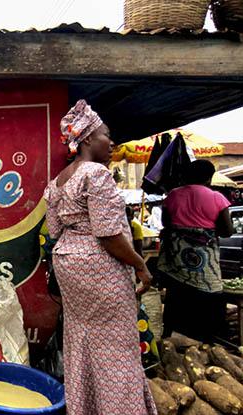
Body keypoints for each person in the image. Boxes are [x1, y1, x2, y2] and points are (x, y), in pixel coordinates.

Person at [43, 100, 156, 415]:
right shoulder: (97, 174)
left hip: (69, 265)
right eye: (107, 135)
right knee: (117, 347)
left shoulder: (58, 181)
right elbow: (108, 234)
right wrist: (141, 266)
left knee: (81, 339)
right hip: (99, 267)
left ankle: (86, 407)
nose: (112, 143)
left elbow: (54, 229)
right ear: (88, 138)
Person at [158, 159, 233, 342]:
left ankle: (172, 339)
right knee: (208, 297)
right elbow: (227, 231)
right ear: (209, 178)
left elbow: (165, 223)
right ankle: (205, 340)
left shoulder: (173, 195)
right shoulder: (217, 198)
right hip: (205, 264)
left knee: (177, 298)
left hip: (177, 262)